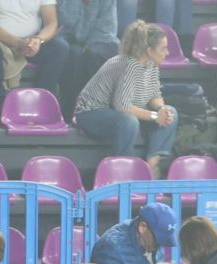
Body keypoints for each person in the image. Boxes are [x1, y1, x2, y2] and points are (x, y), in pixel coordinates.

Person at [74, 23, 180, 176]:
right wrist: (156, 116)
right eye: (163, 48)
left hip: (120, 113)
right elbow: (122, 106)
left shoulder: (151, 64)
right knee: (129, 121)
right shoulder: (129, 65)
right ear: (149, 51)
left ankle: (151, 165)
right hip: (91, 113)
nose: (168, 52)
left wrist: (161, 109)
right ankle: (122, 172)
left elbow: (154, 96)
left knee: (171, 112)